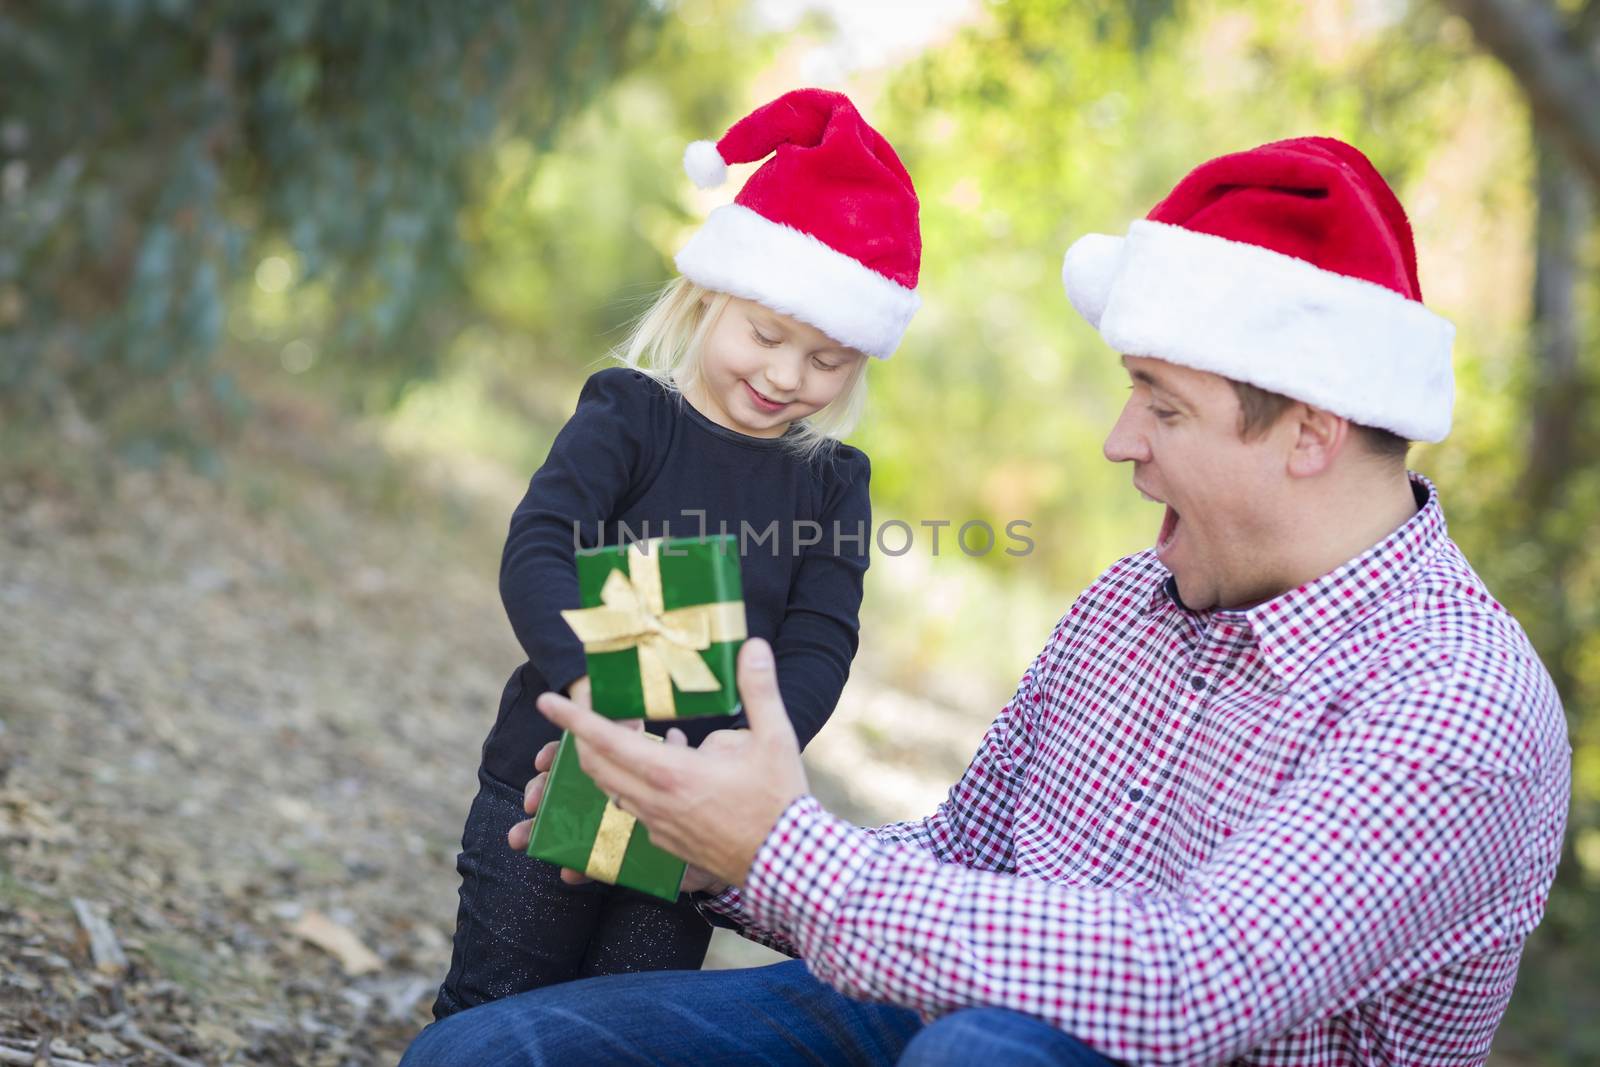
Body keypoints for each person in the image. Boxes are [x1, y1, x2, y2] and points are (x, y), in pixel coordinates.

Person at [405, 138, 1571, 1065]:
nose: (1121, 445)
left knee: (982, 1049)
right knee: (491, 1050)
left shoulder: (1457, 703)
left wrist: (780, 851)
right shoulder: (1131, 605)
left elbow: (1192, 982)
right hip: (934, 1008)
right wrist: (702, 835)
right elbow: (963, 855)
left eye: (1161, 408)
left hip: (1077, 1045)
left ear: (1312, 432)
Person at [429, 88, 924, 1019]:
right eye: (766, 335)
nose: (786, 376)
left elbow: (822, 640)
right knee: (499, 1005)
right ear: (705, 298)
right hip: (562, 767)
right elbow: (540, 545)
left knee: (624, 1024)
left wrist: (747, 748)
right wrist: (599, 694)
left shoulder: (831, 483)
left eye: (827, 361)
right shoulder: (633, 415)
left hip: (697, 806)